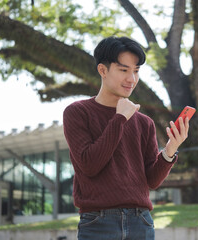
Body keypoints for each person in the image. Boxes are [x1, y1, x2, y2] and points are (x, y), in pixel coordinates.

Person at [63, 36, 190, 240]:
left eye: (136, 71)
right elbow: (90, 164)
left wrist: (169, 150)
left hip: (141, 222)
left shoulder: (144, 122)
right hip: (98, 223)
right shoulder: (77, 112)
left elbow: (151, 180)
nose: (131, 79)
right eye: (123, 70)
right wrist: (120, 118)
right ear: (102, 70)